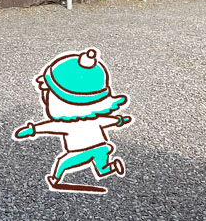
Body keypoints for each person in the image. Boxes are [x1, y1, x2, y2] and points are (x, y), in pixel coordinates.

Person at [13, 48, 132, 192]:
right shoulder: (94, 118)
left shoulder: (66, 124)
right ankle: (110, 167)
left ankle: (55, 179)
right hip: (100, 147)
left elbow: (50, 126)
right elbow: (106, 121)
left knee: (63, 163)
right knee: (101, 165)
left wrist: (33, 130)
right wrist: (119, 120)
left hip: (80, 151)